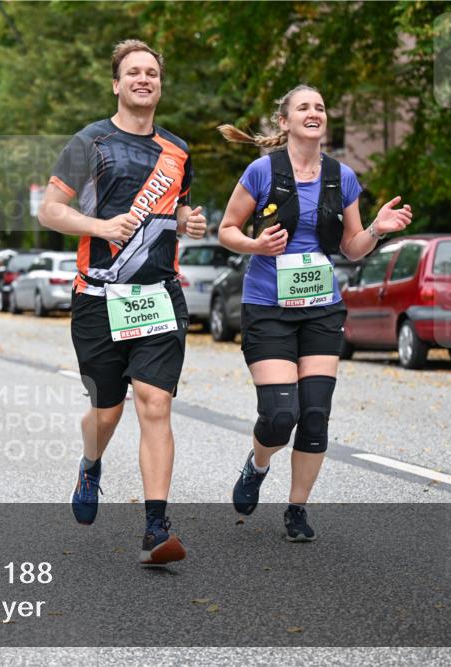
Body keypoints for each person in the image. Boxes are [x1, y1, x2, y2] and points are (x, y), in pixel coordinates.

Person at [217, 84, 412, 541]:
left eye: (321, 107)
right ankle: (258, 464)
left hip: (321, 307)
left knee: (316, 413)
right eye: (304, 107)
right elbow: (227, 229)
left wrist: (377, 230)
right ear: (284, 121)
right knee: (280, 414)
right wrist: (255, 244)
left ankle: (297, 509)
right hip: (267, 305)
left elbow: (351, 246)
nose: (314, 112)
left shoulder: (341, 177)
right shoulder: (262, 171)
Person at [37, 40, 207, 565]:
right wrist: (100, 226)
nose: (143, 79)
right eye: (132, 72)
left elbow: (170, 212)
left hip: (157, 296)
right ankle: (91, 464)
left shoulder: (177, 151)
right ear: (116, 84)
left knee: (155, 403)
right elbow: (49, 211)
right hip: (98, 296)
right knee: (106, 411)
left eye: (151, 73)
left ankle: (156, 527)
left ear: (159, 84)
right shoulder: (89, 142)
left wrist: (186, 223)